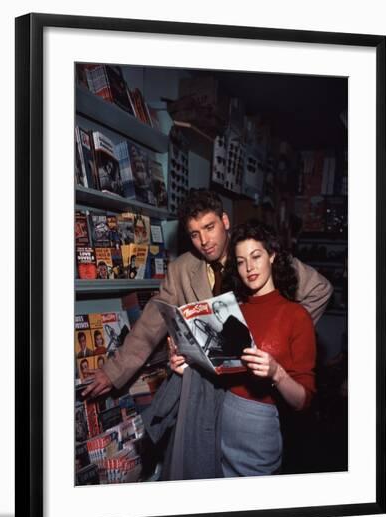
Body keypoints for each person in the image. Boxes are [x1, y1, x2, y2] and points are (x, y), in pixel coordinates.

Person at [82, 189, 332, 400]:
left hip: (257, 391)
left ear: (224, 221)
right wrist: (113, 371)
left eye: (209, 227)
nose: (204, 240)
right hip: (204, 390)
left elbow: (320, 289)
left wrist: (282, 339)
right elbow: (150, 324)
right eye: (194, 234)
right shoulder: (181, 269)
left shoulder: (255, 253)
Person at [169, 220, 317, 477]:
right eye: (240, 261)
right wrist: (187, 366)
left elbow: (303, 400)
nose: (249, 268)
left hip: (260, 429)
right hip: (218, 419)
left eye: (256, 256)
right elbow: (218, 371)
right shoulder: (231, 311)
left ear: (272, 255)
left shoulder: (296, 315)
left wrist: (278, 373)